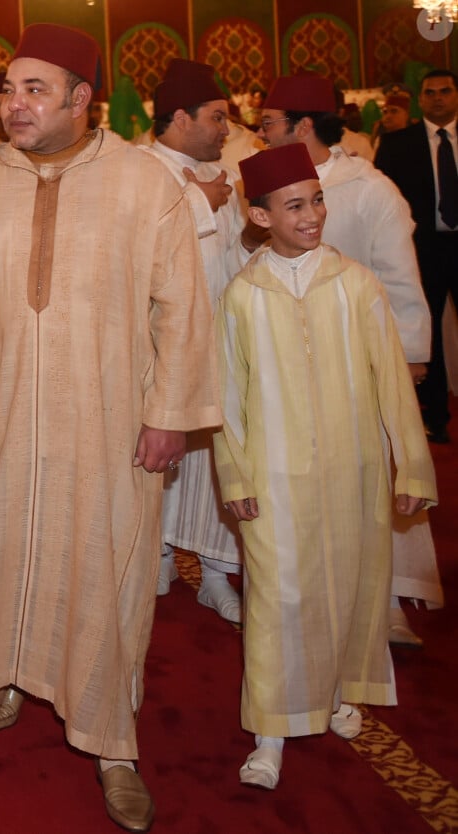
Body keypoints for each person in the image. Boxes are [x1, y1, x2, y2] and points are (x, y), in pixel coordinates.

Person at [0, 23, 220, 834]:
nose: (14, 105)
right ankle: (6, 671)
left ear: (84, 99)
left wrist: (171, 417)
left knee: (107, 569)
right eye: (8, 90)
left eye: (35, 90)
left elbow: (183, 311)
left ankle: (114, 742)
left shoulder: (145, 185)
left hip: (111, 420)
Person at [213, 142, 438, 790]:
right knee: (279, 599)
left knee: (349, 587)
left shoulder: (355, 284)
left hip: (353, 470)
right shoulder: (242, 296)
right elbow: (227, 398)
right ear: (259, 217)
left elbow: (393, 383)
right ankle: (271, 731)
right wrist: (236, 477)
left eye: (316, 201)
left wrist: (412, 469)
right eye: (294, 206)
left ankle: (338, 688)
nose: (312, 216)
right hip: (273, 476)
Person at [257, 74, 442, 645]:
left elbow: (401, 277)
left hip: (359, 357)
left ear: (303, 126)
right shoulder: (267, 183)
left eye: (268, 123)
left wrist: (410, 357)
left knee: (372, 476)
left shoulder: (369, 187)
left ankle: (386, 599)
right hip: (289, 360)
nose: (259, 133)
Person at [142, 58, 260, 621]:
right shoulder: (137, 169)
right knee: (162, 457)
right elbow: (134, 243)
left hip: (217, 337)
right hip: (158, 345)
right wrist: (199, 203)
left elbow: (232, 256)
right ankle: (158, 554)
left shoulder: (224, 175)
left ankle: (216, 572)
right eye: (217, 117)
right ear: (181, 116)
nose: (226, 129)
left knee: (219, 457)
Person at [375, 69, 458, 446]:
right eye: (430, 93)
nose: (438, 98)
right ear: (420, 99)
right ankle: (435, 415)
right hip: (423, 249)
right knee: (430, 332)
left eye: (445, 91)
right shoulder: (397, 144)